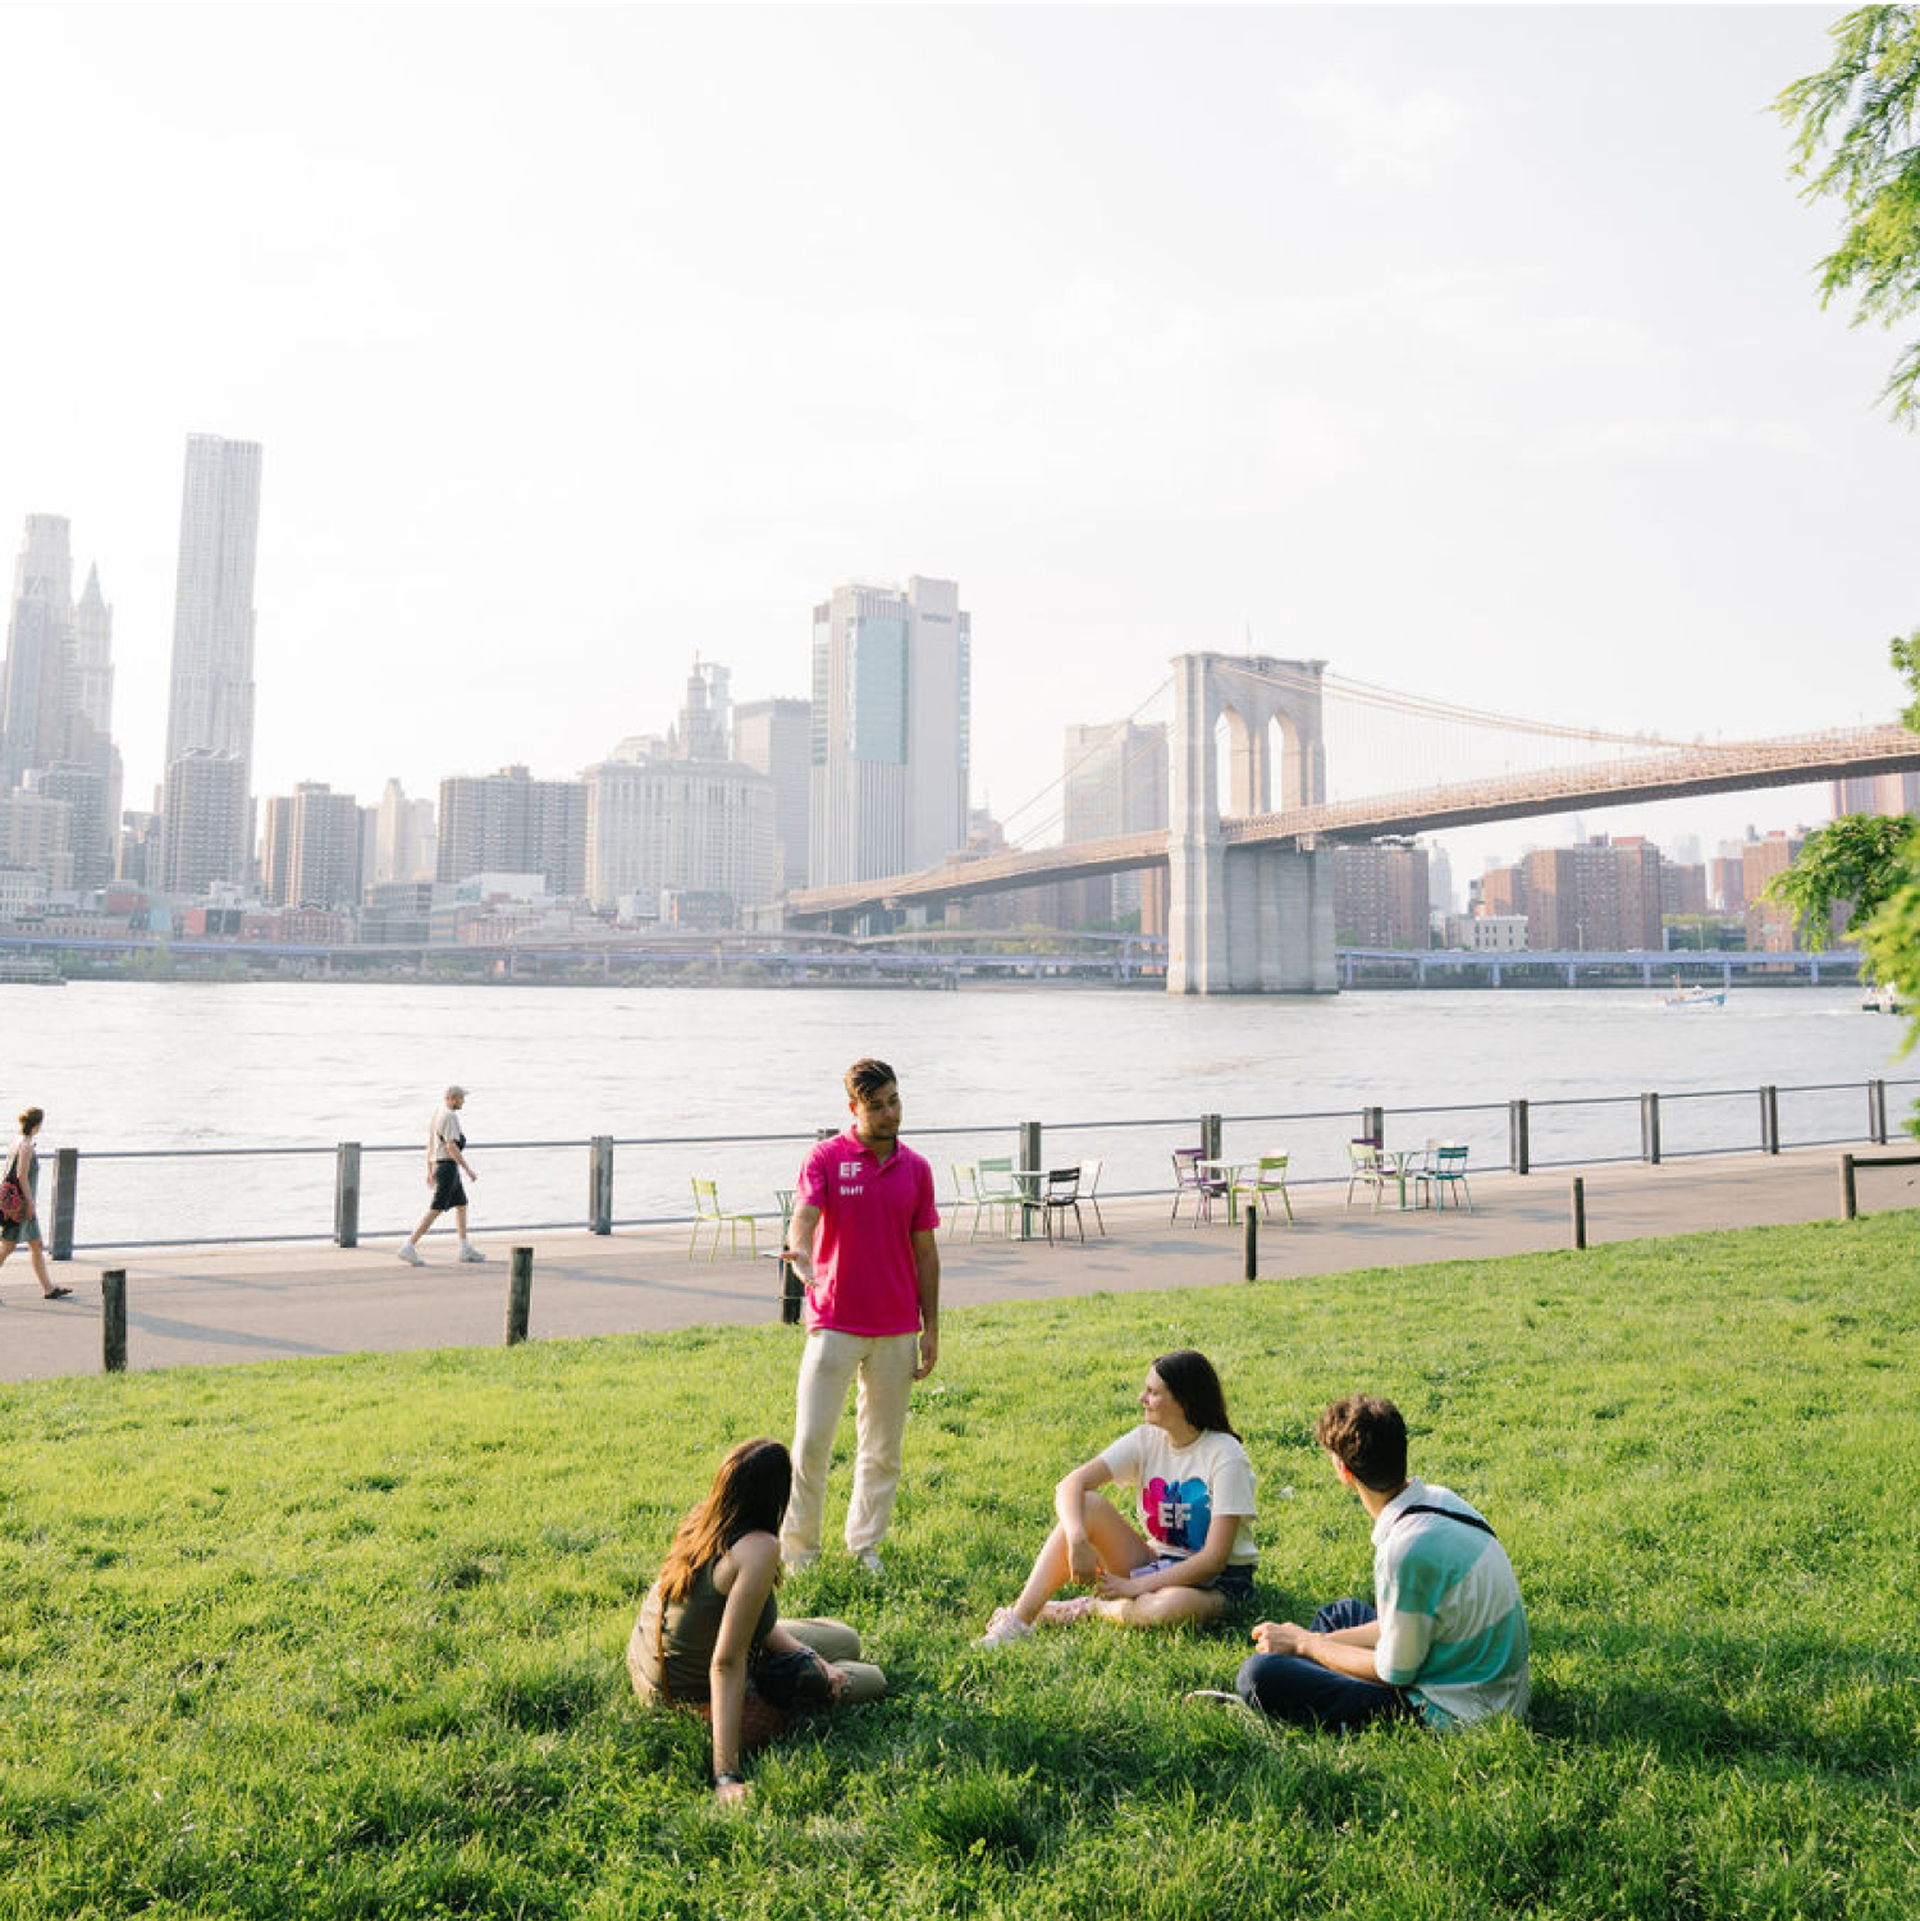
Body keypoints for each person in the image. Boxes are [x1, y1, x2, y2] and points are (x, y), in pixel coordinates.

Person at [1232, 1393, 1530, 1731]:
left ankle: (1304, 1677)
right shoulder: (1441, 1499)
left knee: (1258, 1675)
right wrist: (1317, 1645)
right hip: (1482, 1679)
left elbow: (1394, 1674)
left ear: (1343, 1471)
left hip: (1458, 1709)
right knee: (1340, 1614)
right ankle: (1309, 1670)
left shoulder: (1406, 1549)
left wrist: (1307, 1644)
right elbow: (1407, 1625)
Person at [628, 1437, 885, 1804]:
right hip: (690, 1691)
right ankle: (791, 1689)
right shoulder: (759, 1548)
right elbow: (726, 1662)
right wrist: (726, 1776)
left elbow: (746, 1624)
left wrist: (814, 1659)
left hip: (650, 1668)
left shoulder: (704, 1521)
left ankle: (814, 1664)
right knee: (872, 1678)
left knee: (846, 1640)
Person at [977, 1348, 1257, 1646]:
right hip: (1158, 1560)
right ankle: (1019, 1622)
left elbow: (1213, 1560)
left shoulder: (1226, 1455)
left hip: (1219, 1582)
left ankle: (1091, 1607)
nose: (1141, 1398)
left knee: (1164, 1609)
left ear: (1184, 1402)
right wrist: (1078, 1539)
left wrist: (1136, 1586)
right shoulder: (1146, 1439)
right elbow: (1071, 1484)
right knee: (1086, 1505)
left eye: (1153, 1392)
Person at [780, 1057, 939, 1576]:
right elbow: (804, 1216)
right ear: (854, 1108)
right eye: (877, 1106)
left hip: (897, 1328)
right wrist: (800, 1251)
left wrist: (931, 1327)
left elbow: (926, 1253)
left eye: (895, 1100)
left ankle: (865, 1547)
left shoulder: (917, 1169)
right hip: (834, 1322)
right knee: (811, 1443)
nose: (891, 1113)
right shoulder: (826, 1158)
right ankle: (799, 1553)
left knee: (883, 1450)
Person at [398, 1084, 483, 1265]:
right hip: (447, 1167)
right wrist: (468, 1169)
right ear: (452, 1098)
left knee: (461, 1204)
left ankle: (464, 1248)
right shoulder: (450, 1116)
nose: (463, 1101)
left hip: (442, 1166)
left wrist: (430, 1170)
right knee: (435, 1209)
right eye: (461, 1098)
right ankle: (408, 1246)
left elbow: (431, 1144)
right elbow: (451, 1146)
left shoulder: (437, 1114)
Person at [0, 1107, 71, 1301]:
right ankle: (49, 1289)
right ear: (38, 1125)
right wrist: (30, 1204)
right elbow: (21, 1176)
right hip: (21, 1206)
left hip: (16, 1203)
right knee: (7, 1247)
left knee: (36, 1245)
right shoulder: (25, 1146)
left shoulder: (17, 1142)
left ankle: (49, 1289)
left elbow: (7, 1174)